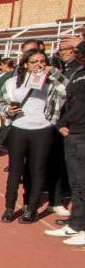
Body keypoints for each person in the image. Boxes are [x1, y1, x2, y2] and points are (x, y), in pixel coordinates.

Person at [0, 48, 68, 223]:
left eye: (42, 61)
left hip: (42, 129)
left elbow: (67, 89)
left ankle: (31, 208)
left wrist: (54, 73)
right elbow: (0, 103)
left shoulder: (51, 82)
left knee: (37, 169)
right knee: (15, 170)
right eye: (34, 61)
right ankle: (9, 207)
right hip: (18, 128)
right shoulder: (13, 82)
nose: (39, 65)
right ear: (25, 64)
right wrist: (8, 109)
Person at [47, 40, 85, 245]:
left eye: (78, 50)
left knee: (83, 183)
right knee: (77, 183)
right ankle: (76, 223)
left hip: (82, 135)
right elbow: (69, 101)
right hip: (72, 133)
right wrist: (61, 122)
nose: (76, 53)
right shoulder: (78, 74)